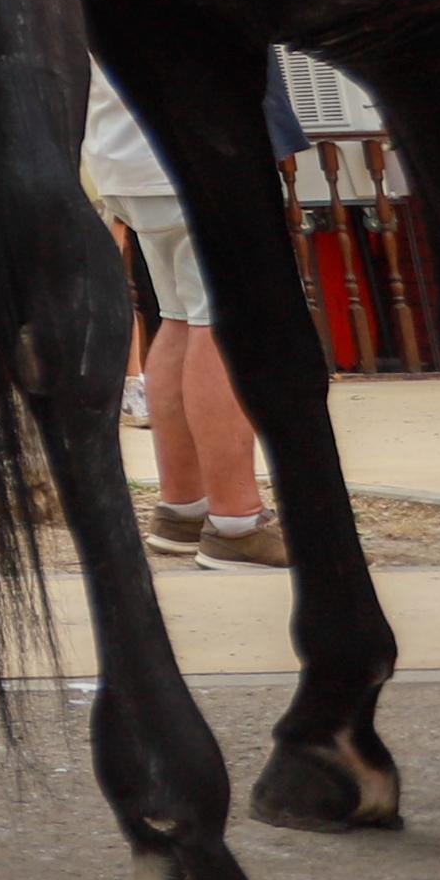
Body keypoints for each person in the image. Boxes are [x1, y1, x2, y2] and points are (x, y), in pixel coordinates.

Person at [80, 72, 282, 570]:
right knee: (217, 323)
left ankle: (183, 509)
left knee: (177, 318)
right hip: (187, 151)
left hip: (123, 153)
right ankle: (236, 520)